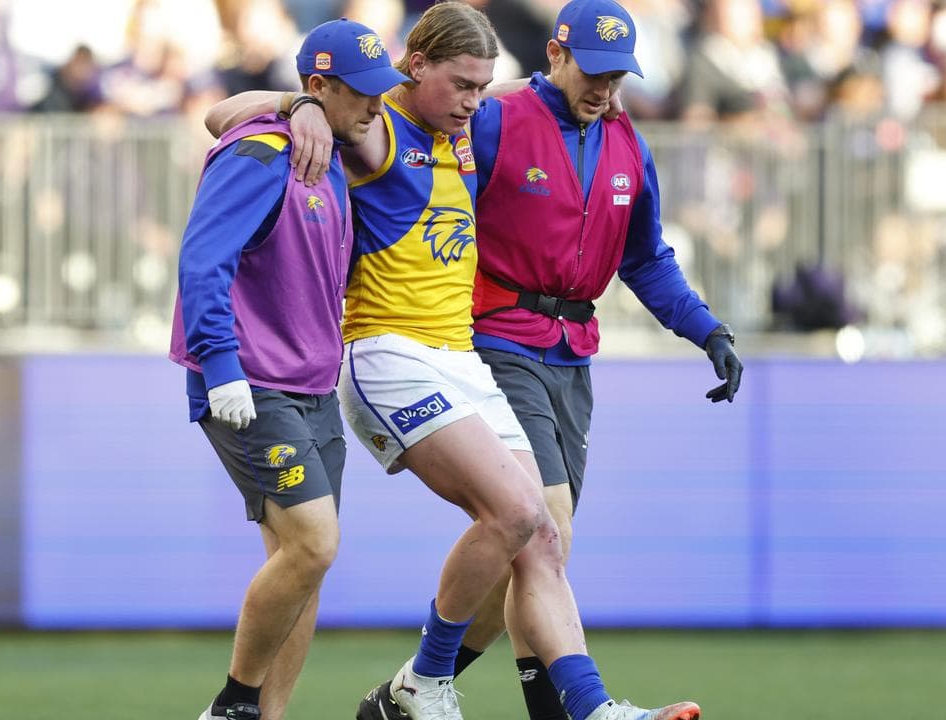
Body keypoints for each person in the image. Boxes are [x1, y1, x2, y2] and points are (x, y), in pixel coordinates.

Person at [206, 3, 699, 720]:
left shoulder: (463, 128)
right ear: (414, 68)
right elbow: (220, 114)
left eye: (482, 86)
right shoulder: (376, 128)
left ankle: (589, 710)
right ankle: (419, 681)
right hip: (389, 354)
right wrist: (298, 105)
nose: (474, 100)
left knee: (541, 533)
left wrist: (590, 94)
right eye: (463, 85)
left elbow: (534, 99)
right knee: (516, 510)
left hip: (459, 357)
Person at [169, 18, 407, 720]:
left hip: (312, 387)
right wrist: (220, 366)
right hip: (251, 381)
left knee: (303, 566)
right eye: (362, 92)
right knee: (314, 544)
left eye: (382, 91)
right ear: (318, 85)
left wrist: (297, 105)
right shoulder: (263, 151)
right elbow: (202, 260)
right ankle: (233, 705)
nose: (376, 106)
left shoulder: (328, 150)